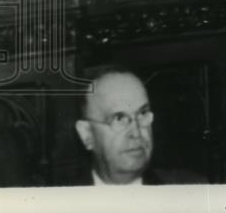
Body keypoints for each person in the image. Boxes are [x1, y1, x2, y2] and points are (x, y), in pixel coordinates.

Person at [71, 68, 203, 186]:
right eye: (119, 118)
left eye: (142, 113)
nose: (136, 132)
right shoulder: (61, 205)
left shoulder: (191, 191)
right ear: (86, 134)